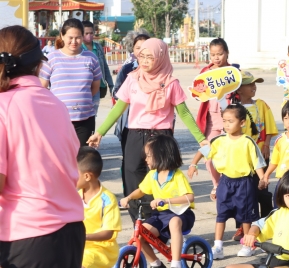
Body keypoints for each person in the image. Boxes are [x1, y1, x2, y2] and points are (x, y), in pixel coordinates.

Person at [0, 25, 85, 268]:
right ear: (39, 63)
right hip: (68, 236)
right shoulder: (53, 103)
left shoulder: (4, 107)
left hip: (27, 241)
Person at [87, 38, 207, 223]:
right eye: (141, 56)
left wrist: (201, 139)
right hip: (135, 134)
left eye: (150, 57)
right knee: (132, 174)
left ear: (160, 58)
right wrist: (99, 133)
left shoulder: (170, 83)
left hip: (160, 136)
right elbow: (118, 109)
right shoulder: (132, 79)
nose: (144, 61)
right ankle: (140, 224)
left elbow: (183, 113)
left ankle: (159, 223)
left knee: (159, 179)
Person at [189, 104, 266, 259]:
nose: (226, 124)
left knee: (245, 216)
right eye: (224, 121)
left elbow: (257, 162)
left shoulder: (247, 141)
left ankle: (247, 245)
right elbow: (202, 151)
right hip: (225, 181)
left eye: (230, 121)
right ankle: (218, 246)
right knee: (221, 214)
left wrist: (263, 178)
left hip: (244, 183)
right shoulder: (218, 140)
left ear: (242, 122)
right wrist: (193, 164)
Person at [119, 134, 195, 268]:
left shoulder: (177, 175)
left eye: (148, 156)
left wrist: (166, 200)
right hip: (161, 215)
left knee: (174, 222)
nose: (145, 159)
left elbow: (189, 197)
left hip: (181, 213)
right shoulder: (152, 175)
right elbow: (141, 190)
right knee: (140, 235)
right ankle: (156, 264)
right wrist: (128, 198)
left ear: (162, 155)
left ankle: (176, 266)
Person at [76, 147, 122, 268]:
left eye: (72, 173)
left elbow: (108, 232)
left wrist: (82, 236)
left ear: (87, 176)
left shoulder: (107, 199)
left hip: (101, 249)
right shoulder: (75, 193)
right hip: (77, 246)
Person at [229, 70, 278, 243]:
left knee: (262, 190)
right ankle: (242, 226)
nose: (254, 87)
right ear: (239, 89)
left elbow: (270, 126)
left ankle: (266, 223)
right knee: (241, 194)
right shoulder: (233, 108)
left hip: (259, 155)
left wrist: (266, 144)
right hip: (240, 157)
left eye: (254, 84)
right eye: (249, 84)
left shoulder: (262, 105)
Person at [39, 18, 101, 147]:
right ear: (62, 36)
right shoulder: (51, 58)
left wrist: (80, 99)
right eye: (70, 37)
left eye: (78, 37)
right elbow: (42, 88)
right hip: (58, 119)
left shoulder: (91, 58)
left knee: (82, 157)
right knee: (60, 156)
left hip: (85, 119)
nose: (74, 42)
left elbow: (95, 87)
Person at [195, 38, 235, 200]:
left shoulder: (233, 72)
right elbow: (198, 91)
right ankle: (217, 184)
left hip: (229, 119)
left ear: (227, 53)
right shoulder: (205, 72)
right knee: (209, 154)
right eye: (213, 54)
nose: (216, 58)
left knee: (228, 154)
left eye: (220, 54)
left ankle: (228, 184)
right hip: (211, 119)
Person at [113, 33, 150, 162]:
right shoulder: (127, 69)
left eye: (145, 47)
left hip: (152, 124)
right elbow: (116, 92)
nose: (141, 51)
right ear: (133, 49)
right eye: (138, 48)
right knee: (130, 161)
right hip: (130, 121)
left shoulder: (161, 70)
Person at [82, 21, 113, 116]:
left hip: (97, 86)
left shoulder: (98, 47)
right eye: (86, 33)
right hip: (84, 87)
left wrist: (111, 85)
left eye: (91, 33)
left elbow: (104, 66)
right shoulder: (78, 49)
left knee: (93, 114)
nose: (89, 36)